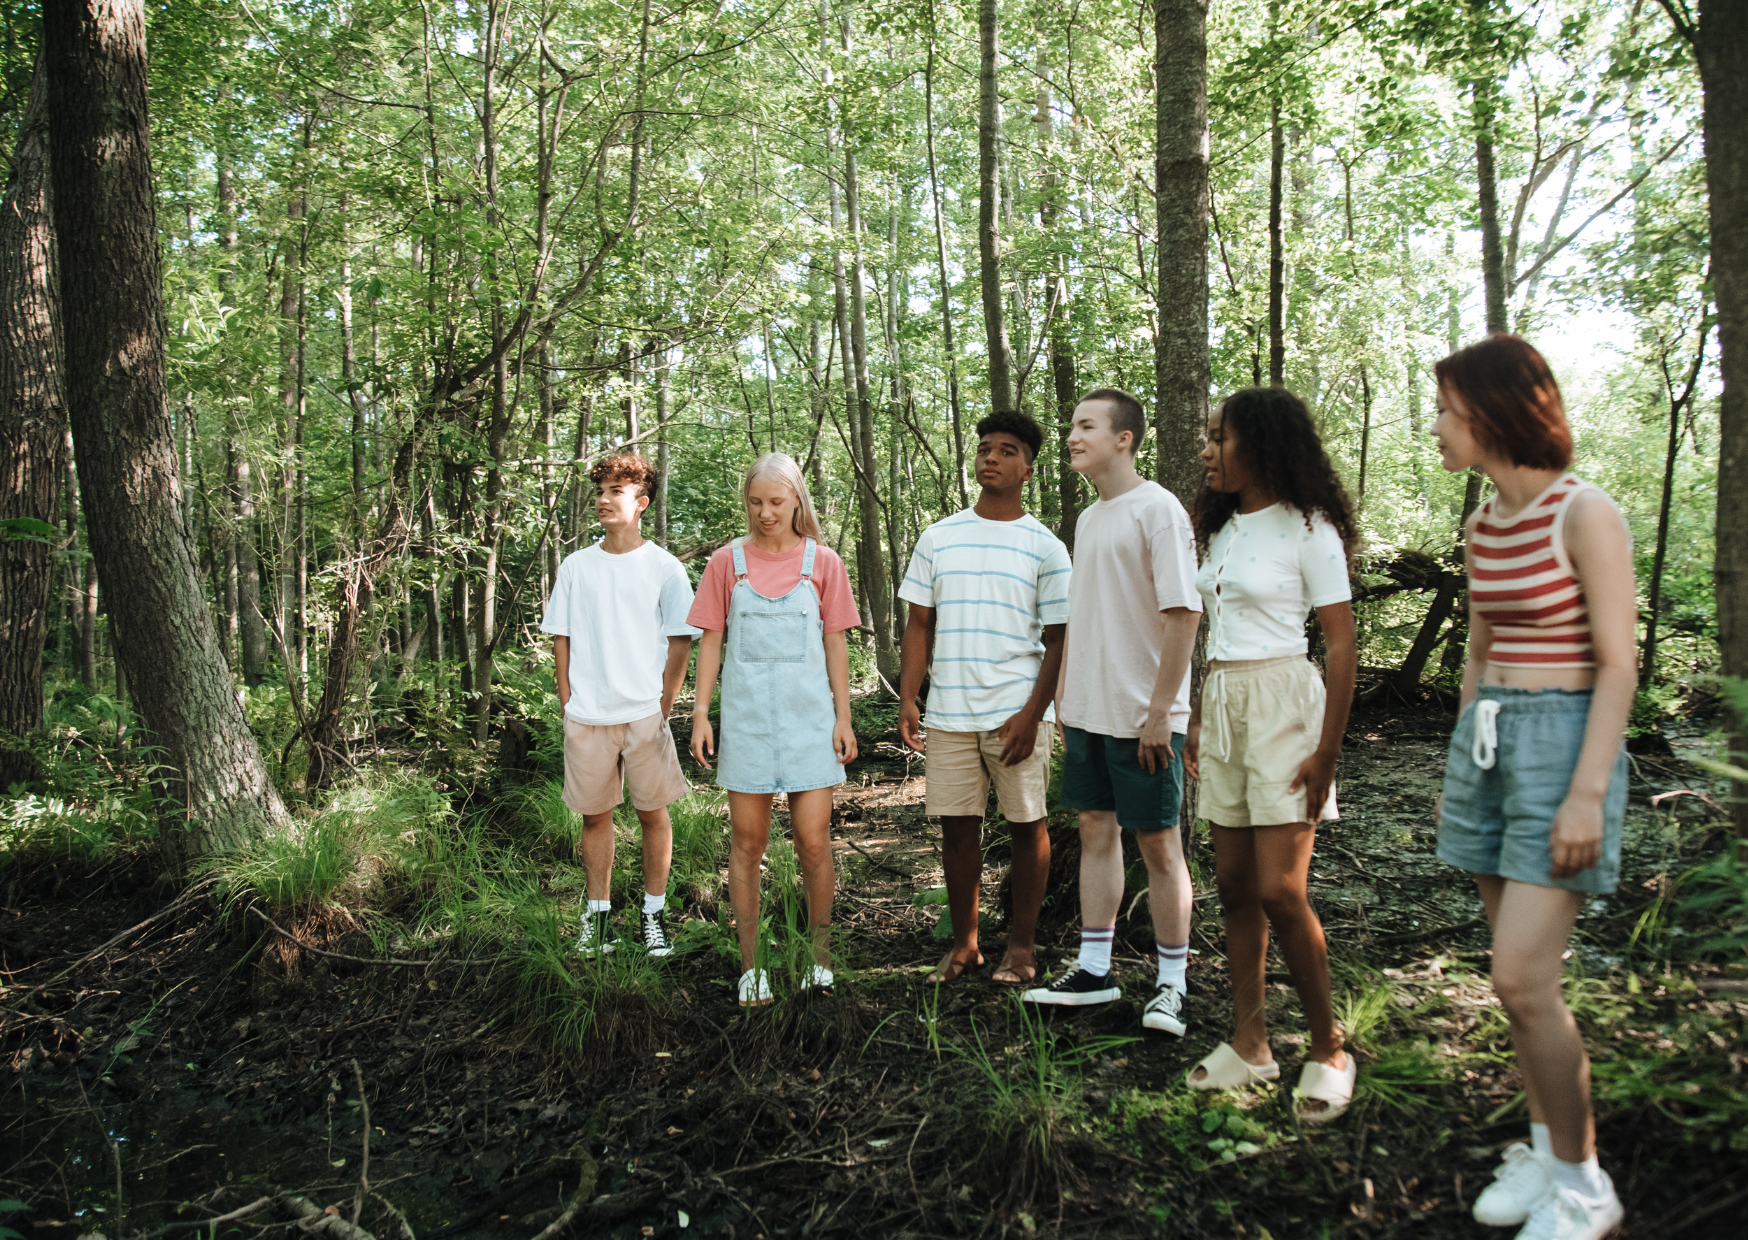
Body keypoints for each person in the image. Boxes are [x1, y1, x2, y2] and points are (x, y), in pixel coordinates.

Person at [1432, 336, 1631, 1240]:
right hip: (1490, 743)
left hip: (1564, 746)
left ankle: (1587, 1187)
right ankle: (1549, 1153)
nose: (1436, 427)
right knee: (1516, 982)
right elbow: (1477, 654)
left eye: (1447, 410)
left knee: (1522, 979)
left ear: (1495, 412)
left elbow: (1620, 665)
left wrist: (1587, 793)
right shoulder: (1483, 526)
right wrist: (1459, 767)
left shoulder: (1582, 513)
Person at [1181, 387, 1358, 1127]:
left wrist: (1327, 751)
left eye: (1220, 437)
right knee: (1231, 884)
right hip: (1223, 705)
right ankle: (1251, 1040)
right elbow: (1211, 631)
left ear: (1261, 443)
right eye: (1207, 437)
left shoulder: (1309, 528)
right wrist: (1195, 716)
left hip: (1286, 704)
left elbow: (1343, 644)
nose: (1207, 450)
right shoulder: (1219, 530)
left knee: (1283, 890)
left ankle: (1329, 1048)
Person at [1022, 388, 1202, 1040]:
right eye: (1072, 425)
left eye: (1086, 426)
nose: (1071, 435)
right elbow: (1085, 618)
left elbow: (1184, 613)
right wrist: (1068, 697)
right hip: (1091, 711)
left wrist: (1161, 712)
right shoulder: (1091, 518)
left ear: (1124, 438)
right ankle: (1095, 970)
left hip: (1145, 716)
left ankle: (1172, 986)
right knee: (1096, 831)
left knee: (1159, 845)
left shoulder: (1159, 511)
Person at [897, 411, 1071, 986]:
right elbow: (919, 623)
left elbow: (1058, 638)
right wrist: (909, 696)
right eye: (985, 448)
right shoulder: (939, 536)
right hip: (949, 712)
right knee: (957, 827)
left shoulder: (1045, 547)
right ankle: (965, 946)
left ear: (1027, 467)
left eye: (1007, 450)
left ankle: (1021, 949)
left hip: (1016, 713)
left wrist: (1033, 714)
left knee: (1027, 824)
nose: (991, 457)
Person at [688, 453, 860, 1006]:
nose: (765, 513)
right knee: (747, 843)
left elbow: (836, 641)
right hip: (747, 723)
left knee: (813, 842)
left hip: (811, 721)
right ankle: (751, 966)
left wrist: (843, 716)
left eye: (777, 503)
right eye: (756, 502)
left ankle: (820, 959)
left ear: (797, 502)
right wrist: (700, 713)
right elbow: (710, 639)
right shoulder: (725, 563)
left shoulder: (824, 562)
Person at [540, 451, 700, 958]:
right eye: (601, 491)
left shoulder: (664, 567)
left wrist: (665, 704)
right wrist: (567, 699)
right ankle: (598, 921)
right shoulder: (576, 566)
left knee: (653, 814)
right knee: (595, 817)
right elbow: (560, 636)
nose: (605, 500)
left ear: (641, 502)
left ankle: (654, 917)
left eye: (617, 491)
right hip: (588, 715)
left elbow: (682, 640)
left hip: (643, 715)